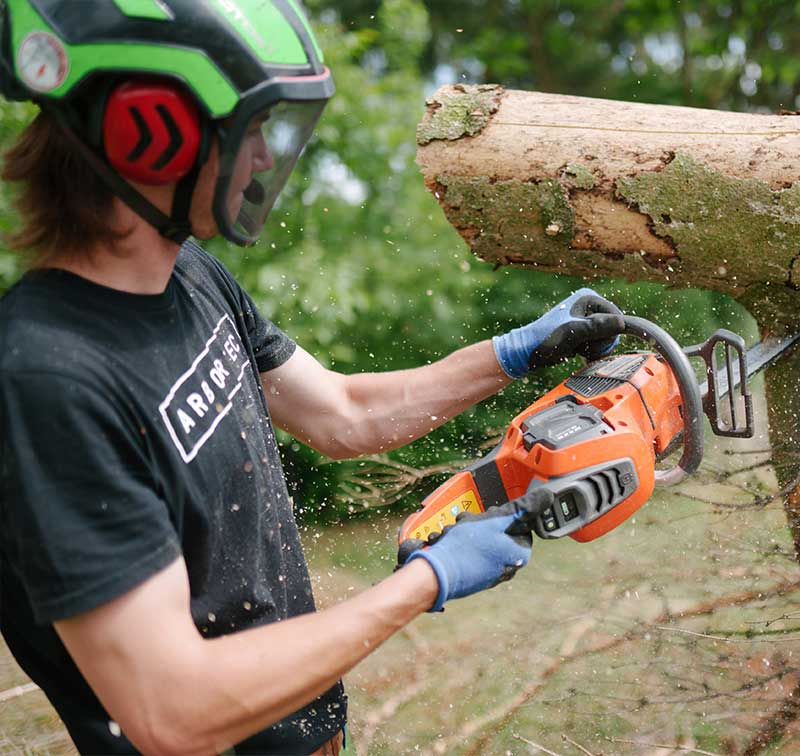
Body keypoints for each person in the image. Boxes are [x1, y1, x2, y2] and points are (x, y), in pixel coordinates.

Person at [0, 2, 623, 753]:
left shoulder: (191, 277)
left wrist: (514, 352)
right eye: (251, 131)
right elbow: (173, 709)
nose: (263, 159)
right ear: (150, 133)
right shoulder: (46, 379)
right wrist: (425, 582)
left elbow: (342, 414)